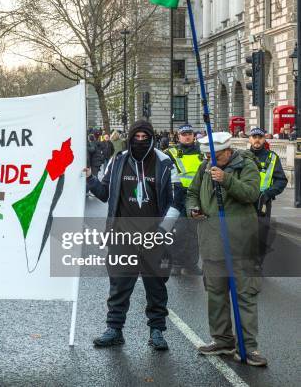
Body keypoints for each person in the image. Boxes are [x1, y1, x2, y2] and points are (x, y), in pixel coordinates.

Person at [86, 120, 183, 351]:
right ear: (130, 138)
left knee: (156, 286)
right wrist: (90, 178)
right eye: (136, 137)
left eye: (145, 137)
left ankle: (157, 331)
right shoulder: (118, 160)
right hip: (122, 237)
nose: (140, 141)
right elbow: (103, 194)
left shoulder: (165, 162)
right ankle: (114, 329)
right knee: (119, 285)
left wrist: (161, 232)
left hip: (154, 238)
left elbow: (177, 200)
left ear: (151, 138)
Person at [186, 132, 266, 366]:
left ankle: (249, 347)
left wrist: (226, 179)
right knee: (216, 295)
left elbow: (251, 194)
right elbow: (191, 194)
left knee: (245, 296)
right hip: (211, 243)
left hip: (240, 243)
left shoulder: (246, 166)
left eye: (216, 156)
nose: (211, 160)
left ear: (228, 152)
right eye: (208, 156)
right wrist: (193, 209)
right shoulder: (204, 168)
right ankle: (222, 341)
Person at [165, 124, 203, 276]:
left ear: (194, 135)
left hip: (198, 196)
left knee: (194, 232)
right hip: (179, 197)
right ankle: (176, 262)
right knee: (179, 231)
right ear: (178, 136)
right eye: (184, 134)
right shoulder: (171, 152)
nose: (187, 136)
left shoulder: (202, 151)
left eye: (189, 134)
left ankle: (191, 264)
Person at [247, 128, 288, 264]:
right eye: (254, 137)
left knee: (261, 234)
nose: (257, 139)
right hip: (244, 199)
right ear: (250, 139)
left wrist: (268, 194)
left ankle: (258, 263)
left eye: (260, 137)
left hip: (263, 201)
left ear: (264, 139)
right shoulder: (242, 156)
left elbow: (281, 180)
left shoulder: (272, 157)